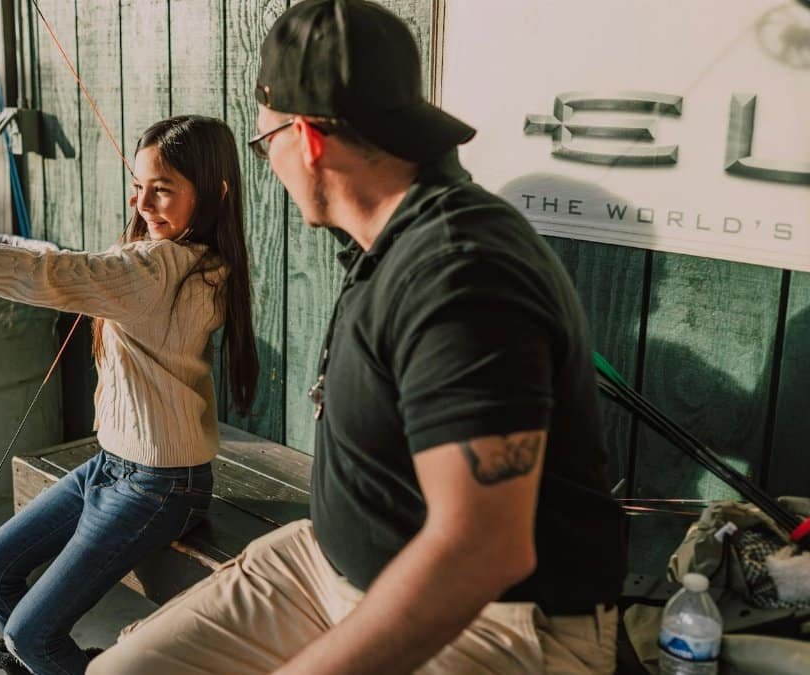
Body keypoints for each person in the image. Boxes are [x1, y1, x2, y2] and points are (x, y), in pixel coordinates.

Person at [87, 2, 627, 674]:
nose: (271, 169)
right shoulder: (387, 240)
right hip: (331, 559)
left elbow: (483, 550)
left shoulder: (460, 275)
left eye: (265, 145)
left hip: (497, 616)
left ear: (307, 140)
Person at [0, 115, 259, 675]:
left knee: (30, 634)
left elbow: (40, 271)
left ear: (215, 192)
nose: (143, 202)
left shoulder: (160, 269)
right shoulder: (184, 261)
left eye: (164, 188)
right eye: (139, 184)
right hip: (116, 467)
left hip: (159, 485)